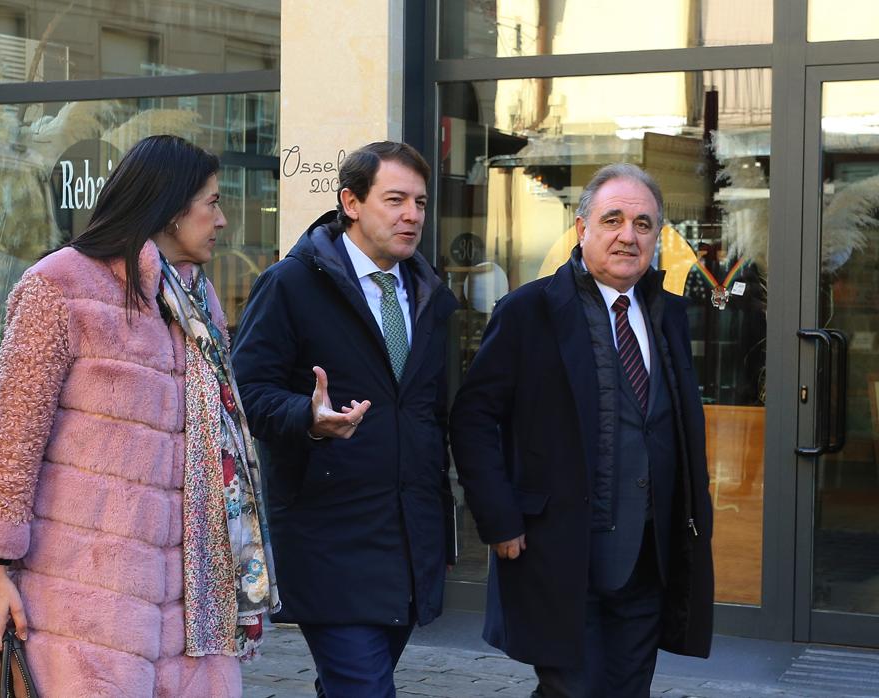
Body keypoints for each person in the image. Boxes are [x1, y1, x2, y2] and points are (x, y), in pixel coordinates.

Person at [0, 134, 279, 697]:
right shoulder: (60, 286)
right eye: (212, 202)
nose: (223, 220)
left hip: (191, 608)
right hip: (85, 599)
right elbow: (11, 444)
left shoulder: (198, 304)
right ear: (172, 208)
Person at [450, 163, 714, 697]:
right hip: (560, 552)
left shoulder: (668, 315)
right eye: (613, 219)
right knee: (571, 689)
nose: (627, 235)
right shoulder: (531, 310)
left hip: (648, 555)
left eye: (643, 224)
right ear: (582, 227)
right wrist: (499, 519)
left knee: (628, 689)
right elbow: (473, 417)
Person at [233, 141, 459, 697]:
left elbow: (436, 410)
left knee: (353, 684)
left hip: (410, 537)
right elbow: (243, 391)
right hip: (329, 533)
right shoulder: (291, 284)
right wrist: (306, 417)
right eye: (396, 200)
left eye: (421, 203)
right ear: (351, 203)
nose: (412, 215)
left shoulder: (431, 295)